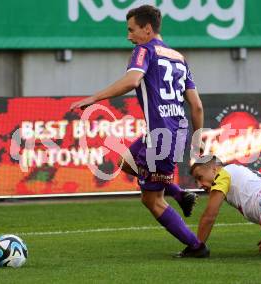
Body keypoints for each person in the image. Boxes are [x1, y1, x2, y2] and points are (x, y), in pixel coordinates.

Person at [70, 5, 209, 257]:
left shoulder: (143, 50)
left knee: (152, 200)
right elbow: (197, 106)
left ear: (147, 29)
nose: (129, 36)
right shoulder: (179, 57)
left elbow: (133, 80)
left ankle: (196, 246)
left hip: (159, 136)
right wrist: (197, 143)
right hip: (176, 132)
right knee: (125, 161)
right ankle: (179, 193)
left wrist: (94, 98)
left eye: (132, 30)